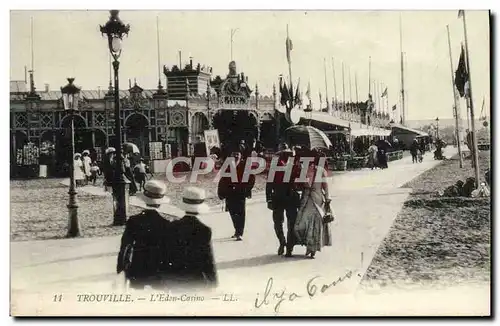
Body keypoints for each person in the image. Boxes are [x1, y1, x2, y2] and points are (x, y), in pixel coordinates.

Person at [117, 181, 217, 291]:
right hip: (164, 272)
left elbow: (125, 246)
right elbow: (208, 259)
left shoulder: (133, 221)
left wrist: (121, 269)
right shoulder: (166, 224)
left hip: (137, 268)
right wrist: (213, 281)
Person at [294, 150, 332, 259]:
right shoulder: (303, 170)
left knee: (315, 224)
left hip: (317, 200)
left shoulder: (321, 171)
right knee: (302, 223)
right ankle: (308, 244)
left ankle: (312, 248)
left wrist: (328, 198)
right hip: (306, 199)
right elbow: (298, 185)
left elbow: (326, 186)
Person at [266, 145, 300, 257]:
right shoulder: (275, 165)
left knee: (291, 223)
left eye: (289, 154)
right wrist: (269, 199)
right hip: (278, 197)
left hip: (291, 197)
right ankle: (282, 242)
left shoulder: (296, 165)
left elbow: (301, 182)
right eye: (285, 153)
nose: (288, 155)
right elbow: (269, 183)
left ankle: (289, 246)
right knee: (278, 222)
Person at [217, 150, 255, 241]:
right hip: (230, 193)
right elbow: (222, 180)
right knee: (232, 212)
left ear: (240, 156)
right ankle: (236, 230)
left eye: (237, 154)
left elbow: (252, 178)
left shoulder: (245, 166)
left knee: (241, 213)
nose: (236, 156)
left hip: (240, 193)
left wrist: (247, 189)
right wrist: (221, 193)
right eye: (234, 154)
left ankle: (239, 232)